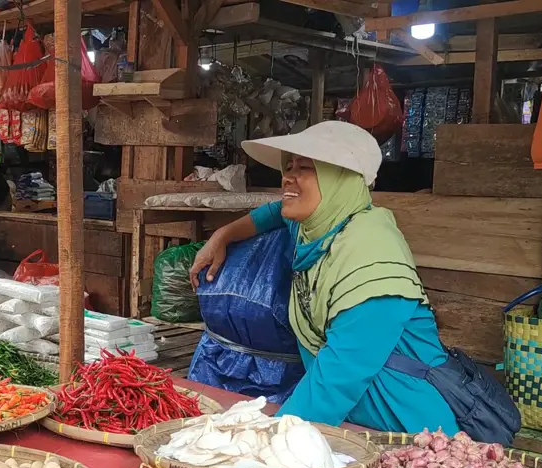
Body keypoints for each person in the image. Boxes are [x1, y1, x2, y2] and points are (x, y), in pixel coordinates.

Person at [190, 121, 459, 435]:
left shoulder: (372, 253)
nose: (288, 177)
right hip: (351, 423)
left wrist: (268, 443)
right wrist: (223, 236)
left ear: (341, 182)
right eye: (289, 165)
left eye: (305, 167)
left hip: (407, 432)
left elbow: (336, 379)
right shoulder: (319, 225)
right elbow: (275, 212)